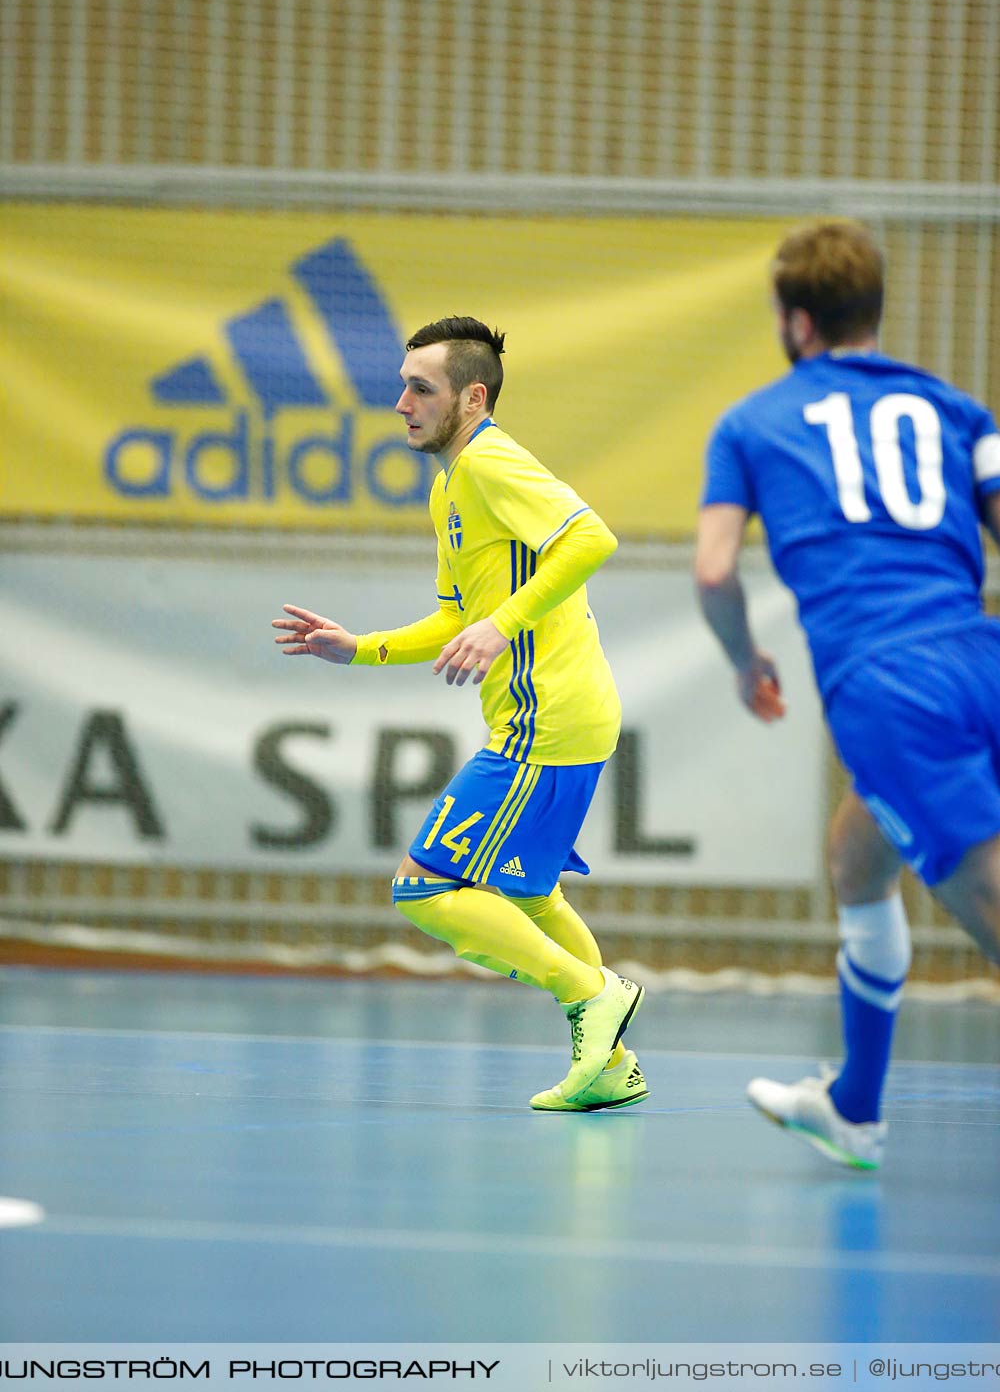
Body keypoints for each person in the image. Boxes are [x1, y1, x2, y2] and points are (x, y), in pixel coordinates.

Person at [273, 316, 646, 1111]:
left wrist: (502, 622)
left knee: (422, 887)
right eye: (403, 383)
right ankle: (610, 1064)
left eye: (421, 387)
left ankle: (592, 996)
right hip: (562, 714)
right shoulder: (450, 483)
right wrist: (360, 647)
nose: (400, 401)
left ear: (472, 398)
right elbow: (453, 617)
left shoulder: (490, 461)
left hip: (543, 723)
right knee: (531, 893)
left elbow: (591, 537)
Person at [695, 219, 1000, 1170]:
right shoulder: (958, 411)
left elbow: (713, 571)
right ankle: (853, 1110)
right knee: (857, 860)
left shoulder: (750, 424)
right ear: (875, 310)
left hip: (891, 689)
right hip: (981, 653)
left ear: (794, 322)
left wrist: (747, 660)